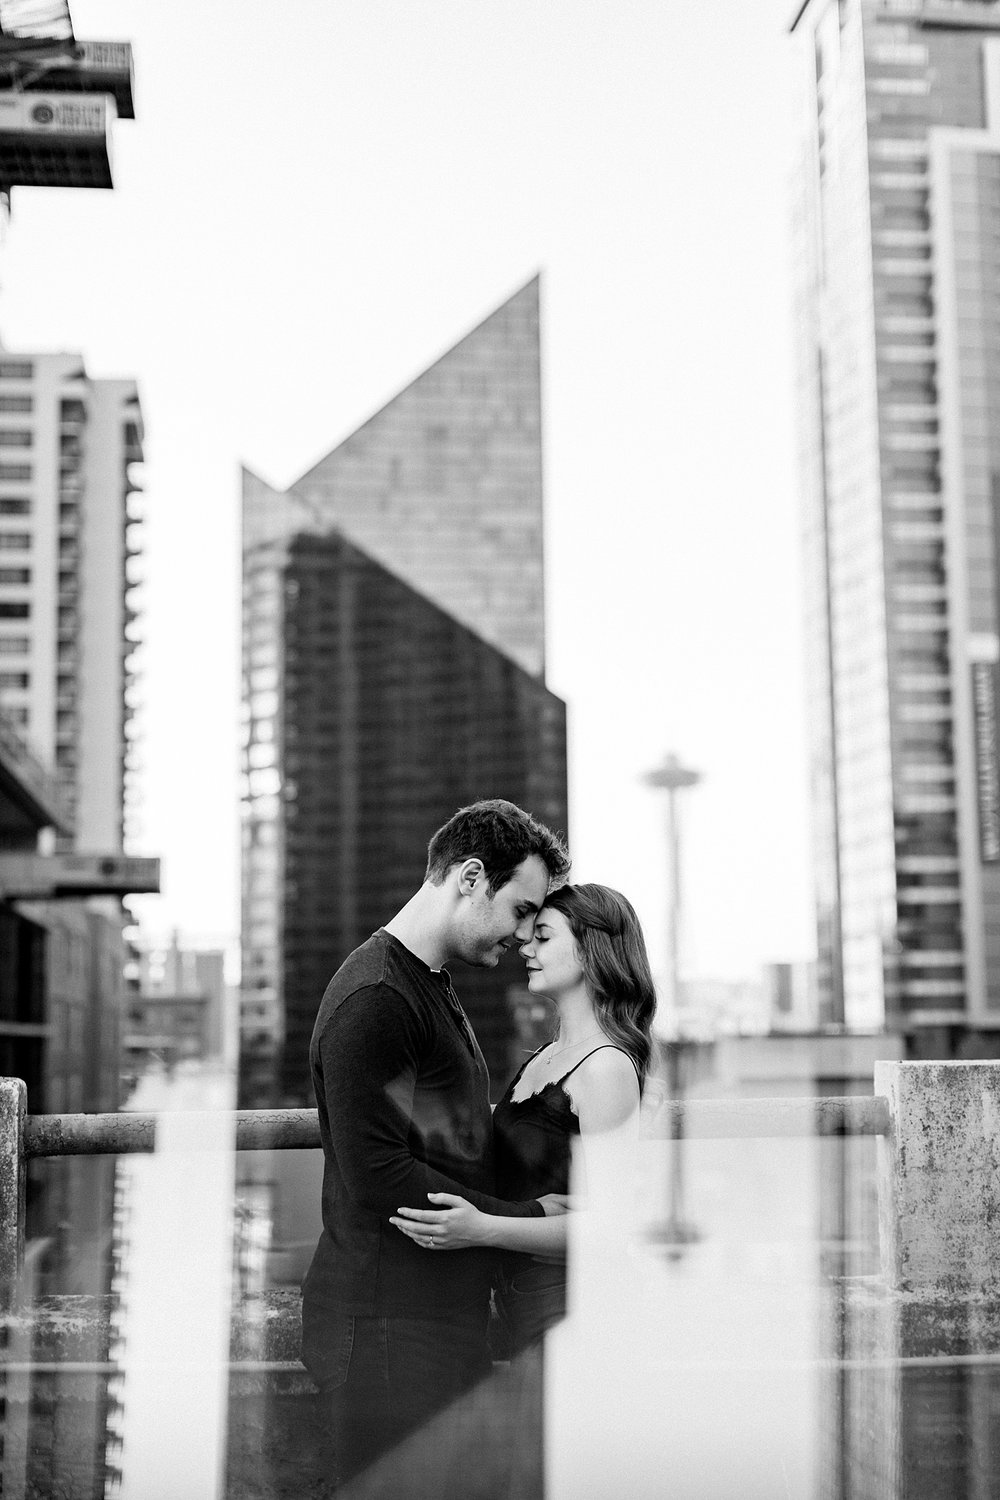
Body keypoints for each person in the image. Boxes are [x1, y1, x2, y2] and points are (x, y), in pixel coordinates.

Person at [300, 799, 571, 1486]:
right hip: (385, 1330)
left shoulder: (430, 986)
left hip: (426, 1323)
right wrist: (529, 1222)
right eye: (520, 909)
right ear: (471, 877)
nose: (523, 932)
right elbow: (379, 1174)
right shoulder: (378, 998)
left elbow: (450, 1141)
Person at [390, 882, 656, 1356]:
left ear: (593, 949)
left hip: (571, 1309)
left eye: (544, 937)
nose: (525, 949)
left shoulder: (606, 1067)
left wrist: (481, 1227)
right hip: (519, 1302)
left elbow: (611, 1227)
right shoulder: (546, 1057)